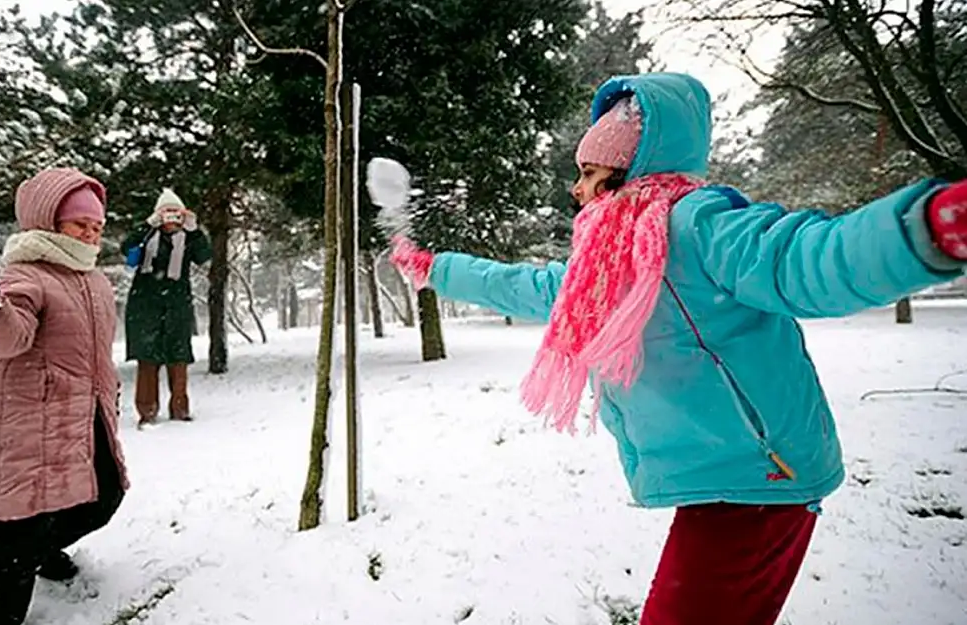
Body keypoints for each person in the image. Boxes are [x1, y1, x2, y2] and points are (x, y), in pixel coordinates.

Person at [388, 72, 967, 625]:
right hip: (725, 477)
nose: (577, 187)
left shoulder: (699, 225)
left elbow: (808, 256)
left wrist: (923, 229)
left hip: (761, 474)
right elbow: (520, 285)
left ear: (628, 172)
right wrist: (437, 268)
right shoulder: (606, 262)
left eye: (590, 171)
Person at [0, 167, 130, 625]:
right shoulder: (27, 274)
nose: (91, 234)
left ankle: (40, 551)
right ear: (47, 222)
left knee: (102, 497)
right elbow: (6, 340)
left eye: (97, 226)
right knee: (16, 534)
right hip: (33, 420)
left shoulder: (94, 280)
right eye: (80, 224)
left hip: (85, 415)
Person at [121, 188, 211, 427]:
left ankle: (180, 410)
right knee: (147, 360)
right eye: (166, 214)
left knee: (178, 358)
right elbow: (126, 249)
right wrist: (146, 225)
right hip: (145, 306)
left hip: (177, 306)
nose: (171, 220)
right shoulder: (147, 236)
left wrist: (195, 230)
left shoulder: (188, 239)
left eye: (176, 214)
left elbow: (204, 256)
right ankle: (147, 412)